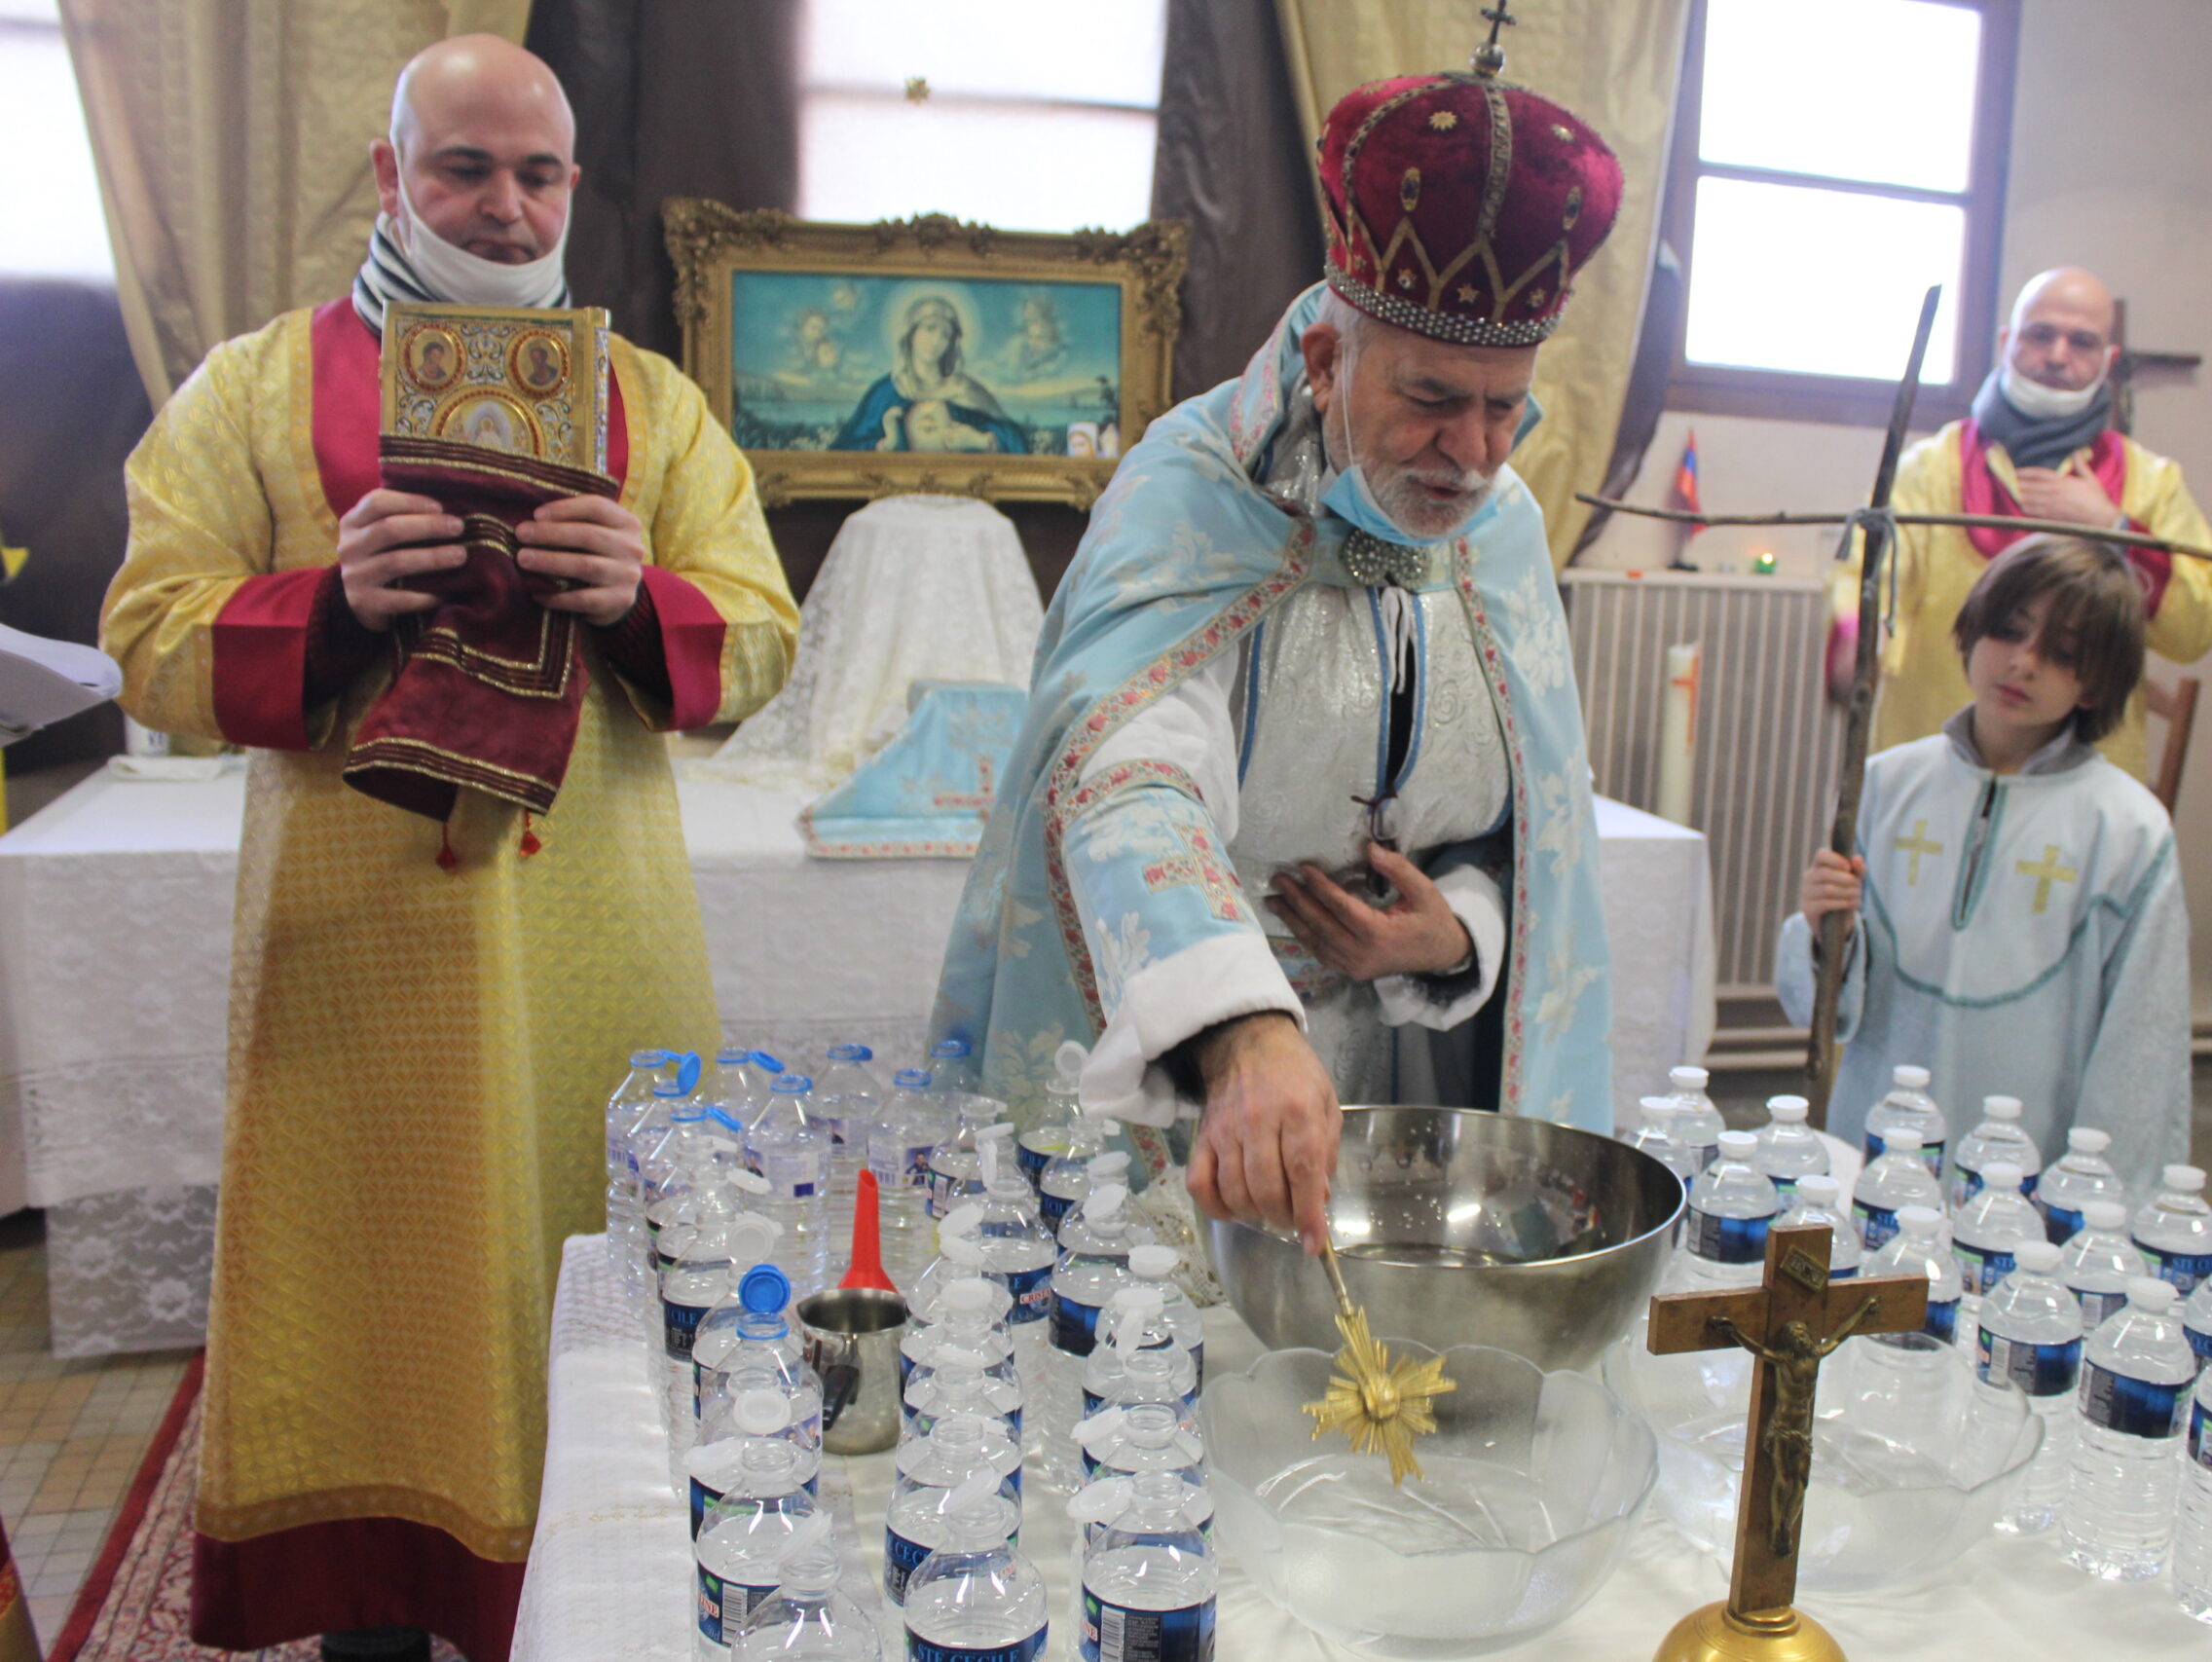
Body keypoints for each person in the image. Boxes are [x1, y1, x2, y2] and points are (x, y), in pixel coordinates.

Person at [97, 36, 797, 1662]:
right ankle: (383, 1615)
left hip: (594, 951)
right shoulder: (253, 391)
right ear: (390, 176)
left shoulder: (654, 403)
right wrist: (327, 602)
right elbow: (146, 634)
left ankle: (618, 1606)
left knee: (609, 1274)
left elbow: (762, 633)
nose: (502, 205)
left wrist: (649, 602)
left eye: (536, 172)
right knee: (381, 1318)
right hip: (361, 970)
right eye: (463, 168)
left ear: (573, 184)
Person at [934, 36, 1626, 1252]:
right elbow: (1122, 769)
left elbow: (1527, 830)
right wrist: (1242, 1028)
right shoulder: (1191, 496)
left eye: (1504, 406)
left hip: (1408, 1093)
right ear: (1325, 359)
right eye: (1427, 398)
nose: (1471, 454)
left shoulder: (1500, 529)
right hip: (1186, 1086)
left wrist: (1456, 935)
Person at [1778, 536, 2192, 1198]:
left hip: (2030, 1151)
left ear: (2097, 681)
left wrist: (2100, 1204)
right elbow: (1822, 1005)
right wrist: (1829, 928)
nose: (2023, 663)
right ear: (1971, 631)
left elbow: (2144, 1040)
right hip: (1880, 1129)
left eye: (2062, 653)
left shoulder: (2127, 828)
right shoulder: (1884, 785)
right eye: (2009, 630)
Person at [1866, 268, 2212, 782]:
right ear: (2006, 343)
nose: (2058, 355)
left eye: (2082, 342)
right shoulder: (1929, 468)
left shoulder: (2152, 483)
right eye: (2040, 334)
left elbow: (2199, 629)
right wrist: (1857, 639)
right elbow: (1872, 586)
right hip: (1939, 762)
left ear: (2107, 361)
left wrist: (2116, 529)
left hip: (2083, 779)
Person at [830, 293, 1025, 452]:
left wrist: (982, 441)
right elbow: (843, 451)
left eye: (945, 335)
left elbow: (1015, 441)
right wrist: (884, 445)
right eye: (930, 329)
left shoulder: (965, 390)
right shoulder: (886, 392)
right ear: (911, 333)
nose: (936, 340)